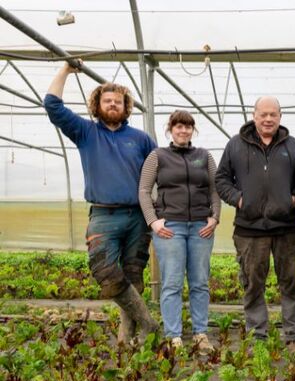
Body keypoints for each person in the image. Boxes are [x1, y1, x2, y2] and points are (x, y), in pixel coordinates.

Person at [44, 61, 158, 343]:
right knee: (106, 272)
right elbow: (52, 105)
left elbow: (160, 171)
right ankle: (149, 325)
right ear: (97, 104)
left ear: (125, 106)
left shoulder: (141, 139)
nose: (112, 105)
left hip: (138, 216)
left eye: (117, 101)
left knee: (133, 275)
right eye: (107, 101)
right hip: (104, 216)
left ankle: (126, 339)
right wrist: (65, 70)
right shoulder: (85, 132)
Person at [215, 96, 295, 345]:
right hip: (249, 229)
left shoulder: (292, 146)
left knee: (291, 282)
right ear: (254, 116)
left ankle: (294, 337)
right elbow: (221, 180)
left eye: (272, 114)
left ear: (280, 117)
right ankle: (258, 337)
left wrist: (292, 200)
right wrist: (240, 199)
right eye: (263, 114)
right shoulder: (236, 145)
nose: (267, 119)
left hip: (285, 228)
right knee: (253, 284)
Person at [138, 110, 221, 350]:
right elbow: (144, 190)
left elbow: (215, 189)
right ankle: (173, 335)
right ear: (170, 129)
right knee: (172, 282)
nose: (183, 130)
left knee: (200, 283)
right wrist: (153, 221)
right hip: (170, 227)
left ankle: (200, 334)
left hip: (200, 227)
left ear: (192, 130)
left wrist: (214, 217)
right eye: (178, 126)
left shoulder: (204, 156)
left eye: (188, 126)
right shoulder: (157, 156)